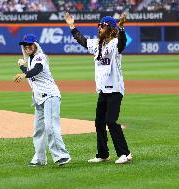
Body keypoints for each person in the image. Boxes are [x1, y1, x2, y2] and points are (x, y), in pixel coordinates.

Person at [65, 12, 132, 164]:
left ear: (110, 28)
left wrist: (121, 28)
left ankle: (125, 153)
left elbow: (122, 44)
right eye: (98, 25)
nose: (99, 28)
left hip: (115, 89)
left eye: (102, 26)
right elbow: (82, 40)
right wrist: (71, 25)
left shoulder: (115, 43)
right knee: (99, 122)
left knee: (111, 120)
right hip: (103, 89)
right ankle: (103, 154)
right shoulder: (97, 44)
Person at [14, 34, 71, 167]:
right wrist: (23, 67)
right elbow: (30, 72)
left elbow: (36, 70)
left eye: (29, 44)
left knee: (51, 127)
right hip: (39, 99)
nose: (27, 46)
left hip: (50, 96)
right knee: (38, 130)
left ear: (35, 45)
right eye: (25, 45)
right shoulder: (30, 60)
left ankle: (62, 156)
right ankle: (39, 159)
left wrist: (23, 73)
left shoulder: (40, 56)